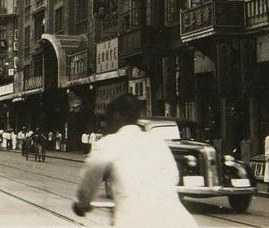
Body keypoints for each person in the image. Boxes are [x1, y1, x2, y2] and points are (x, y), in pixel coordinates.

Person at [73, 94, 196, 227]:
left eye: (107, 118)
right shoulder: (157, 142)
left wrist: (82, 203)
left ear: (117, 115)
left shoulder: (108, 143)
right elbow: (173, 176)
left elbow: (89, 179)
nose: (105, 124)